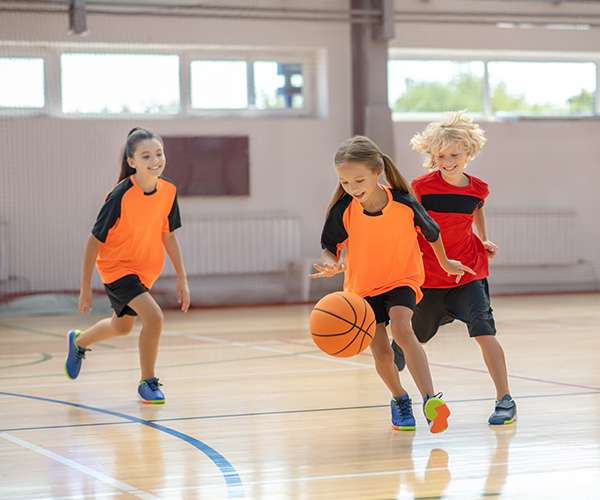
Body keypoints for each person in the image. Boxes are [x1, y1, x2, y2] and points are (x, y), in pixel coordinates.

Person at [309, 135, 474, 433]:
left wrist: (446, 263)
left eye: (358, 180)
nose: (352, 188)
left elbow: (432, 233)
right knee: (382, 353)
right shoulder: (344, 209)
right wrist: (331, 262)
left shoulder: (403, 203)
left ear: (377, 172)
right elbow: (328, 245)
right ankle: (399, 398)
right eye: (345, 183)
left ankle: (430, 400)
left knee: (402, 327)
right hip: (362, 289)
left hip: (402, 279)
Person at [401, 110, 517, 425]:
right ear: (432, 155)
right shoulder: (420, 187)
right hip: (430, 277)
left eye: (454, 154)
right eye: (440, 155)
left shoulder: (478, 188)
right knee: (418, 338)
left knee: (485, 331)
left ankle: (504, 399)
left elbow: (477, 211)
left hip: (469, 273)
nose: (447, 160)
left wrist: (485, 238)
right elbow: (412, 224)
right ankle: (405, 350)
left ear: (469, 152)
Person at [64, 127, 190, 404]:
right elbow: (93, 241)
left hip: (146, 271)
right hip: (116, 268)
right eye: (146, 156)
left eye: (159, 153)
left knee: (120, 327)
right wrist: (85, 288)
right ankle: (148, 382)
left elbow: (168, 234)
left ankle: (79, 341)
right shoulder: (120, 195)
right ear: (131, 161)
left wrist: (182, 278)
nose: (155, 160)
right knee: (154, 318)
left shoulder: (168, 191)